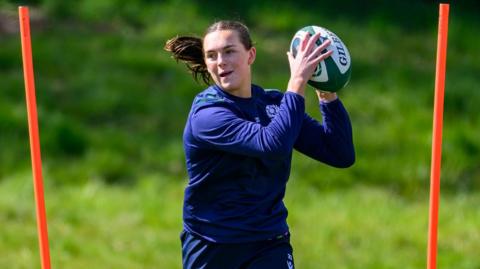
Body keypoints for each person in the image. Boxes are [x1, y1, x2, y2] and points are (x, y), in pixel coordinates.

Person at [164, 20, 355, 269]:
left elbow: (339, 153)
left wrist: (326, 91)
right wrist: (297, 81)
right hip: (214, 245)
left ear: (250, 54)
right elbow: (272, 144)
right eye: (212, 55)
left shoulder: (273, 104)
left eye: (229, 51)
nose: (220, 61)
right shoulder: (207, 115)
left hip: (268, 243)